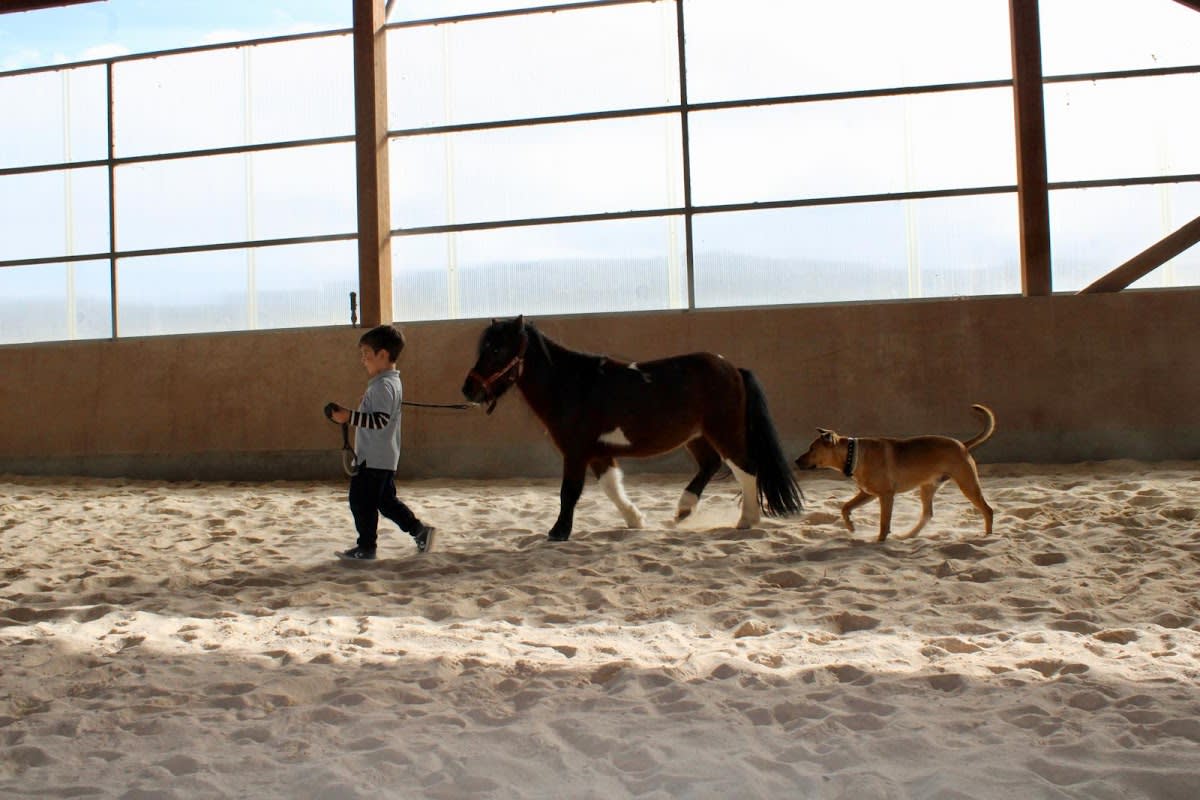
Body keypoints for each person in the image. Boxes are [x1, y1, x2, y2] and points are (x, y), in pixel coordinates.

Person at [327, 324, 436, 560]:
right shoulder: (387, 383)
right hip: (383, 457)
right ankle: (419, 531)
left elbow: (380, 421)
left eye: (366, 354)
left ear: (383, 355)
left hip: (374, 458)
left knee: (360, 501)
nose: (363, 360)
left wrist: (348, 417)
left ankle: (367, 547)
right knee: (385, 502)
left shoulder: (383, 385)